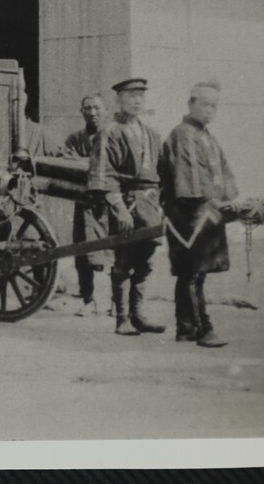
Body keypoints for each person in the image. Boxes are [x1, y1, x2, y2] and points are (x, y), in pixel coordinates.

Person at [159, 81, 239, 348]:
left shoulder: (207, 137)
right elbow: (190, 183)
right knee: (192, 273)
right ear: (191, 103)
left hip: (206, 211)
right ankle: (203, 328)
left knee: (193, 274)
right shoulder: (183, 134)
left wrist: (230, 201)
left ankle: (186, 328)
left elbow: (225, 175)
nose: (209, 111)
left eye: (214, 106)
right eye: (204, 104)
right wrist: (217, 203)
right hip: (188, 214)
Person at [87, 77, 166, 336]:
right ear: (119, 100)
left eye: (141, 96)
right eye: (131, 96)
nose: (137, 101)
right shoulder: (109, 131)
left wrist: (161, 205)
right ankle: (121, 319)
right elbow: (104, 173)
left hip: (150, 204)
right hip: (125, 204)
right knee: (124, 261)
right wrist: (119, 208)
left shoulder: (152, 134)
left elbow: (162, 174)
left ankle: (138, 315)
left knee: (146, 262)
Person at [59, 93, 110, 316]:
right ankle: (88, 300)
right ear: (82, 112)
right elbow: (66, 163)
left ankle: (114, 303)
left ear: (105, 110)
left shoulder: (113, 135)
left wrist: (87, 164)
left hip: (109, 204)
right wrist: (92, 165)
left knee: (113, 252)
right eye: (88, 108)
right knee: (82, 252)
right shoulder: (74, 138)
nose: (93, 113)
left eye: (97, 108)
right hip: (83, 202)